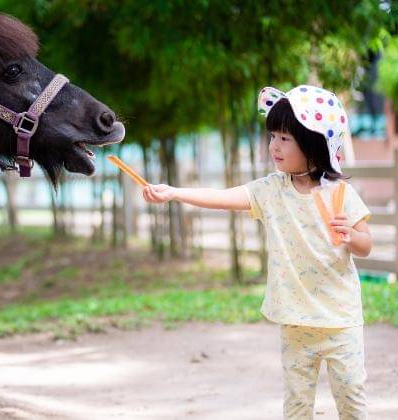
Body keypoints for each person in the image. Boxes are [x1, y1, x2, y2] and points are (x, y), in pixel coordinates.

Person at [142, 85, 372, 419]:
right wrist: (175, 193)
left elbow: (366, 245)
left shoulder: (340, 194)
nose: (273, 146)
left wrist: (351, 236)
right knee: (297, 403)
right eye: (272, 136)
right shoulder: (270, 191)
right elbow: (223, 198)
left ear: (313, 142)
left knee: (351, 398)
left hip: (340, 320)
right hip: (295, 321)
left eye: (284, 139)